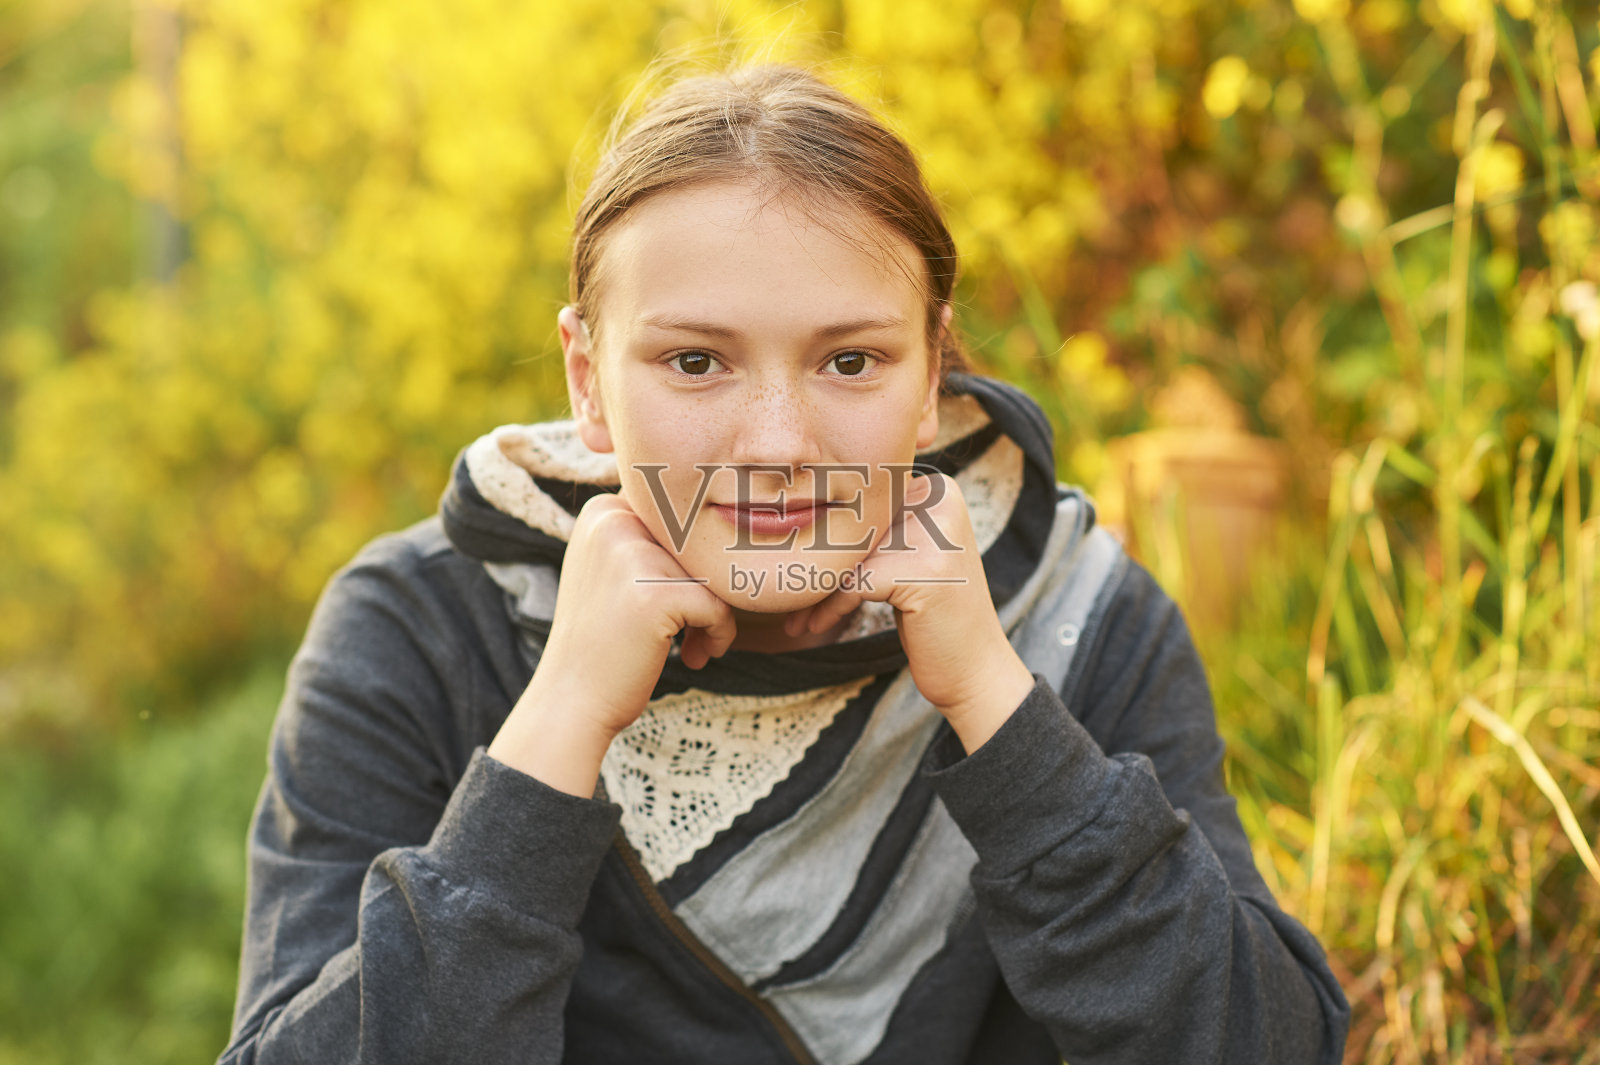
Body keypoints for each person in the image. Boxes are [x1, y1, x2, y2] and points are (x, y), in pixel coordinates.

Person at [221, 65, 1350, 1065]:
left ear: (927, 371)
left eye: (850, 361)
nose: (775, 443)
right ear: (585, 378)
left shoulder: (1079, 619)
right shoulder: (420, 629)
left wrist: (997, 709)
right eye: (696, 361)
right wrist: (555, 729)